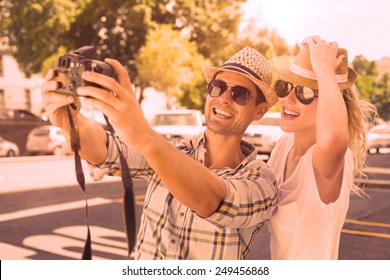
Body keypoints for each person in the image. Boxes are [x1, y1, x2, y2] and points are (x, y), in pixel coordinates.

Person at [41, 47, 278, 260]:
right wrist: (69, 122)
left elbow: (213, 201)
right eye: (218, 87)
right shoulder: (172, 152)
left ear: (259, 111)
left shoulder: (262, 182)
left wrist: (145, 135)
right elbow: (105, 151)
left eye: (240, 94)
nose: (224, 98)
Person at [267, 35, 377, 259]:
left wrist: (324, 68)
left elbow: (334, 136)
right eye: (286, 86)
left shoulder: (329, 159)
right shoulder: (284, 145)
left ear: (329, 99)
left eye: (305, 93)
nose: (288, 99)